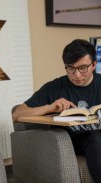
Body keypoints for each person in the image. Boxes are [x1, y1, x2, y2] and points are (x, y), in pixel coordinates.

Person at [12, 39, 101, 182]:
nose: (77, 75)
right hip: (71, 141)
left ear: (94, 65)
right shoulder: (54, 87)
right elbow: (17, 114)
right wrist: (50, 107)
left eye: (82, 68)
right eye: (71, 68)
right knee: (93, 136)